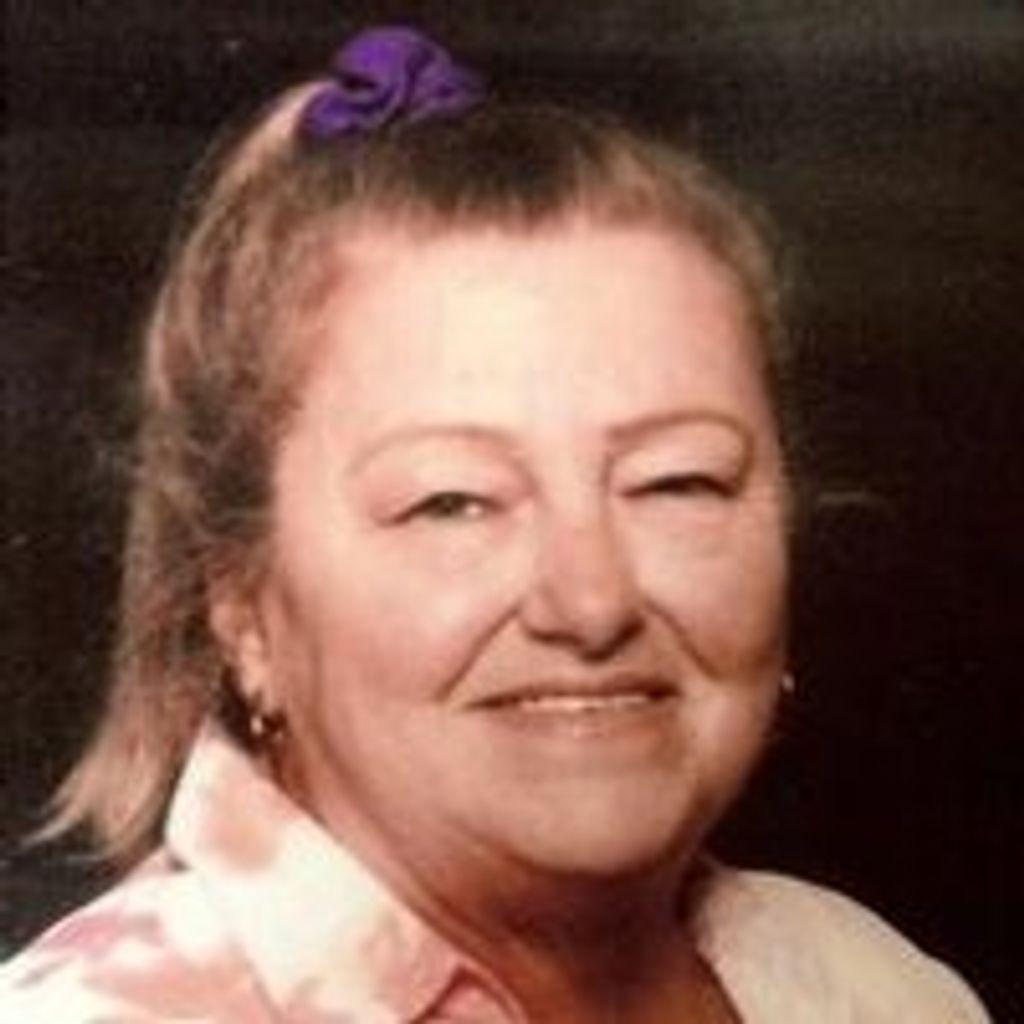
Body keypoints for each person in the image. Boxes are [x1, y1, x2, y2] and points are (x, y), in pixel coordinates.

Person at [1, 25, 990, 1023]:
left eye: (676, 483)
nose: (591, 602)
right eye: (454, 501)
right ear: (242, 604)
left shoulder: (875, 990)